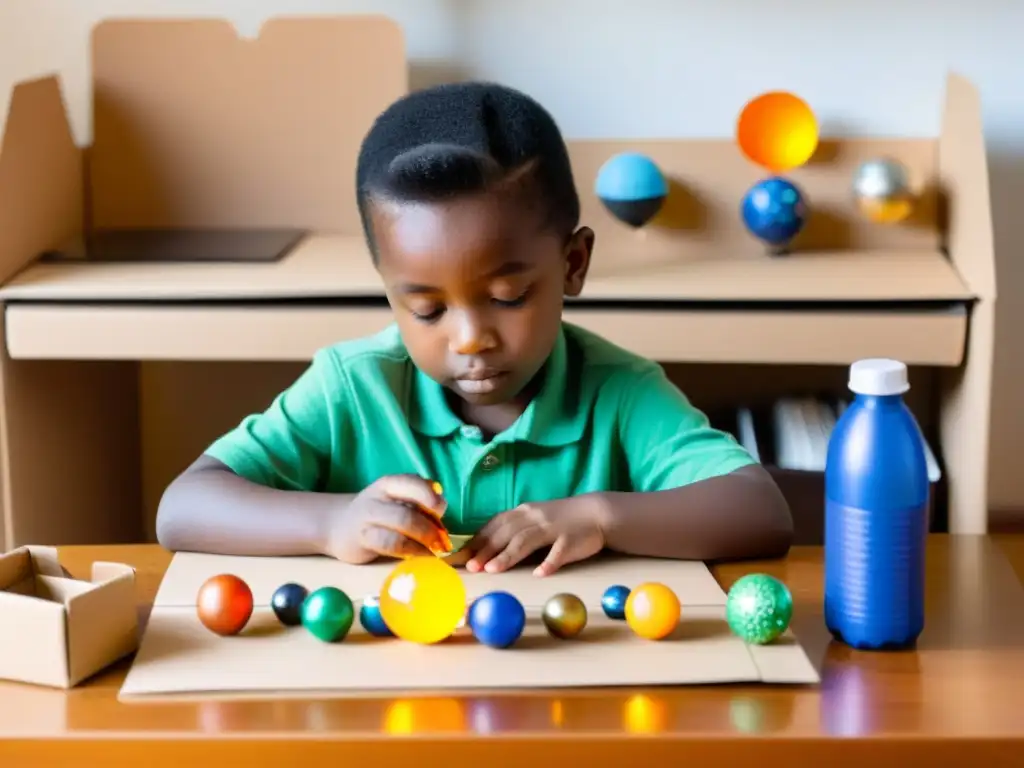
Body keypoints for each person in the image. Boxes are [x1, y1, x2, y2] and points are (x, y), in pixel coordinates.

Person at [156, 82, 793, 576]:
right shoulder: (351, 387)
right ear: (388, 288)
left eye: (509, 296)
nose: (469, 339)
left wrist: (599, 514)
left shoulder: (617, 392)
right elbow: (183, 508)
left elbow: (759, 510)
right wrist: (331, 523)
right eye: (427, 310)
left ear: (573, 264)